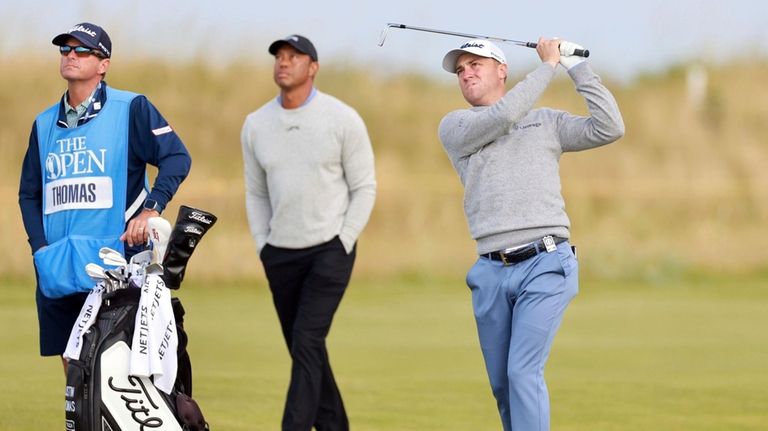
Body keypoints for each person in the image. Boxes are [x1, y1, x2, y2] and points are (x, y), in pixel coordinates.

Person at [438, 38, 624, 430]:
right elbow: (503, 117)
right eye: (460, 69)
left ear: (502, 70)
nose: (466, 72)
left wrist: (576, 67)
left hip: (546, 262)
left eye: (476, 64)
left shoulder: (547, 122)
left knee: (522, 373)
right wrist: (546, 66)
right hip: (490, 270)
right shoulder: (457, 126)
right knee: (503, 384)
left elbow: (610, 126)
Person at [18, 22, 191, 372]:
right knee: (73, 368)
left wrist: (151, 209)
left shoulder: (132, 108)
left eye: (82, 50)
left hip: (115, 263)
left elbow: (177, 158)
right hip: (59, 264)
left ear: (103, 64)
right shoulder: (43, 123)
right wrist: (39, 249)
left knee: (116, 368)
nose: (70, 56)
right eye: (65, 49)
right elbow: (29, 194)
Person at [241, 34, 376, 431]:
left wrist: (344, 240)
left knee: (306, 342)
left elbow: (365, 186)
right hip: (280, 253)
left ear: (312, 67)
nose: (284, 63)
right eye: (279, 57)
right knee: (306, 349)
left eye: (294, 57)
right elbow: (255, 191)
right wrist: (262, 244)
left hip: (329, 251)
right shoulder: (256, 125)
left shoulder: (342, 118)